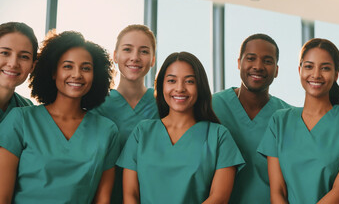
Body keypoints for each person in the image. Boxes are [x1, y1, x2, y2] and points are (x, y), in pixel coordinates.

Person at [0, 31, 120, 203]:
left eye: (86, 68)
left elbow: (103, 200)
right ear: (53, 72)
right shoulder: (20, 120)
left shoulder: (107, 131)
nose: (77, 74)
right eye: (67, 66)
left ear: (96, 76)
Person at [117, 51, 245, 203]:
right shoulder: (142, 132)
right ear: (161, 85)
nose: (180, 88)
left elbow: (219, 198)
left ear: (200, 86)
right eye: (171, 81)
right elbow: (130, 195)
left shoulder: (218, 136)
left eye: (189, 81)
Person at [257, 38, 339, 203]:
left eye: (325, 68)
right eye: (309, 66)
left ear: (336, 75)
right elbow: (278, 191)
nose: (316, 74)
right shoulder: (279, 121)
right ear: (300, 70)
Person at [212, 33, 291, 203]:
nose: (258, 66)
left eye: (268, 61)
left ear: (276, 70)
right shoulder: (212, 106)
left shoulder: (288, 116)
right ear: (239, 63)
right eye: (251, 58)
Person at [91, 24, 158, 203]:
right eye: (127, 49)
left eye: (144, 51)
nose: (134, 57)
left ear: (153, 60)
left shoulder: (164, 105)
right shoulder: (96, 104)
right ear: (115, 56)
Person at [0, 22, 38, 121]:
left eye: (24, 56)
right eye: (5, 53)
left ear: (32, 66)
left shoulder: (27, 107)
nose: (13, 64)